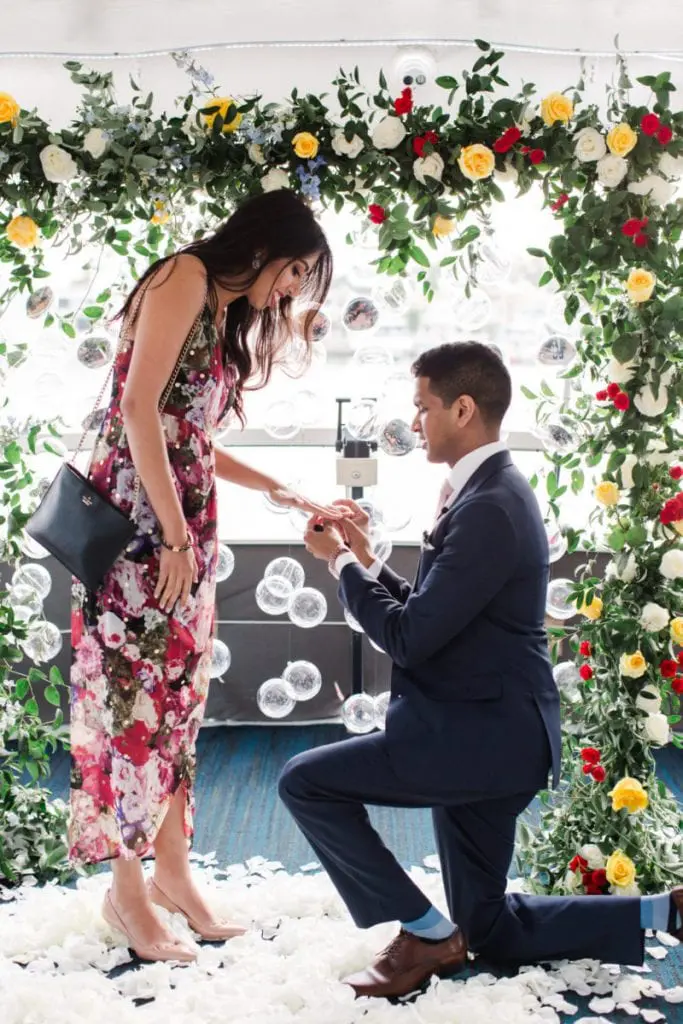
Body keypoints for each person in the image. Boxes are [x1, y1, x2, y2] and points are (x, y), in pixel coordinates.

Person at [280, 340, 683, 998]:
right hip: (490, 733)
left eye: (422, 408)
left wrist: (338, 566)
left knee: (305, 783)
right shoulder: (487, 494)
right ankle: (663, 911)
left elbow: (408, 639)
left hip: (476, 741)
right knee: (488, 929)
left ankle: (425, 932)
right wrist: (362, 556)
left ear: (462, 408)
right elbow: (433, 615)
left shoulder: (489, 507)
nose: (414, 424)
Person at [69, 190, 345, 963]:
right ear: (263, 246)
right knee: (132, 703)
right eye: (295, 271)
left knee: (177, 703)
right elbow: (135, 409)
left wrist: (280, 490)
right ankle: (126, 895)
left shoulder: (221, 314)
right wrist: (172, 534)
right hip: (140, 536)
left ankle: (174, 877)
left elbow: (189, 436)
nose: (291, 290)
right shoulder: (185, 277)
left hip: (180, 533)